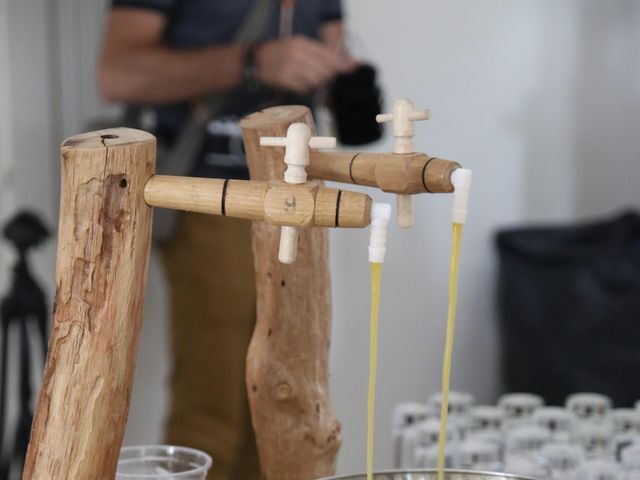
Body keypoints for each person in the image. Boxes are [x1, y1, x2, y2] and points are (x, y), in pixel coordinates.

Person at [99, 1, 354, 479]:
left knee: (288, 401)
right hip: (212, 198)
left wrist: (343, 79)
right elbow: (117, 73)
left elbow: (331, 54)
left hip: (297, 197)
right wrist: (253, 61)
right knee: (214, 412)